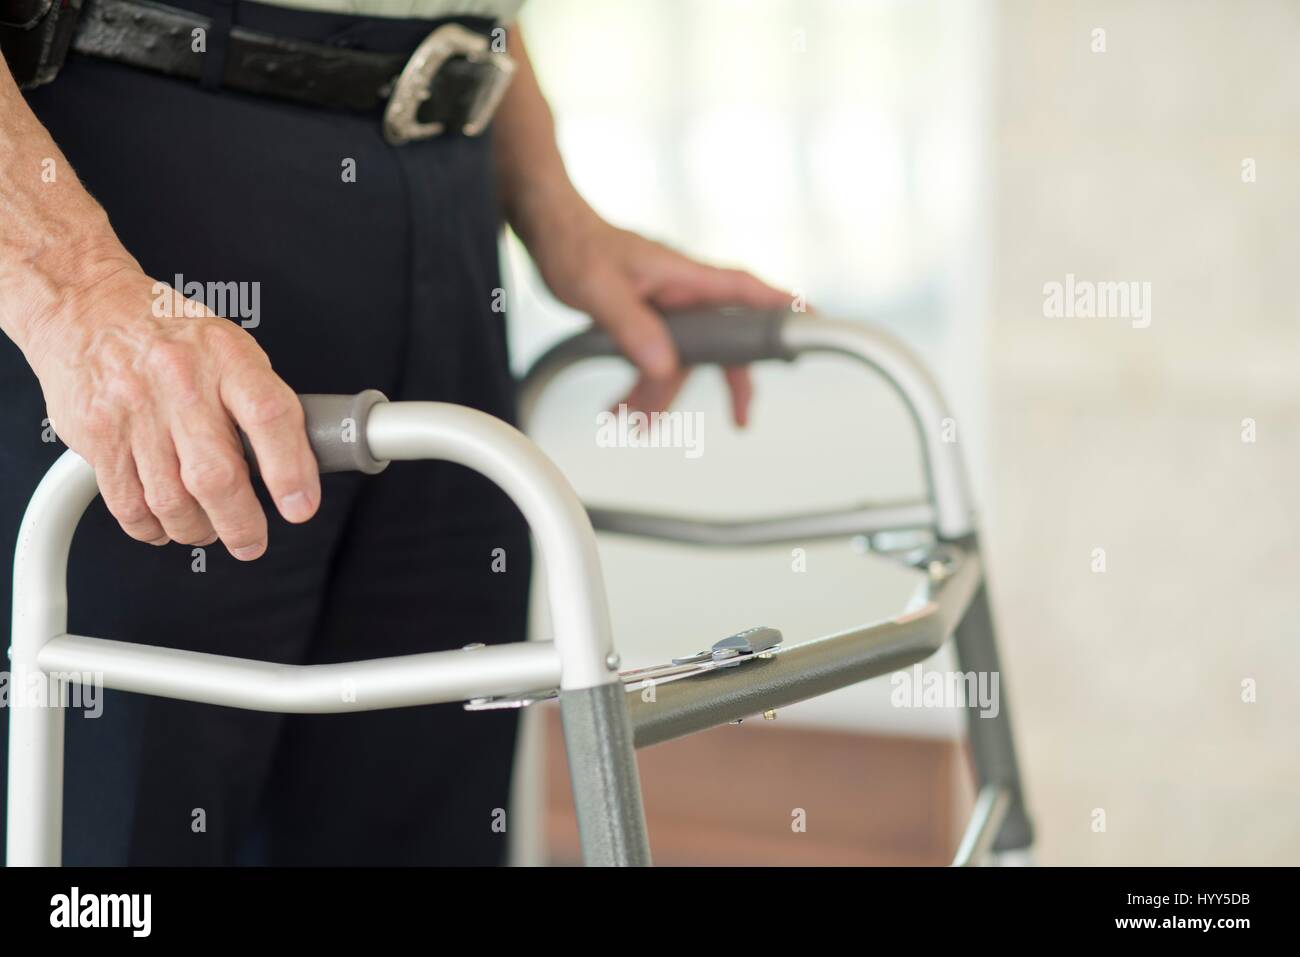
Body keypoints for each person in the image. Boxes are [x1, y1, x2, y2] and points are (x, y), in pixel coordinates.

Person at [0, 0, 790, 864]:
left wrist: (553, 205)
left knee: (426, 816)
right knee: (114, 848)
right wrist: (71, 290)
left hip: (448, 195)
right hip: (119, 187)